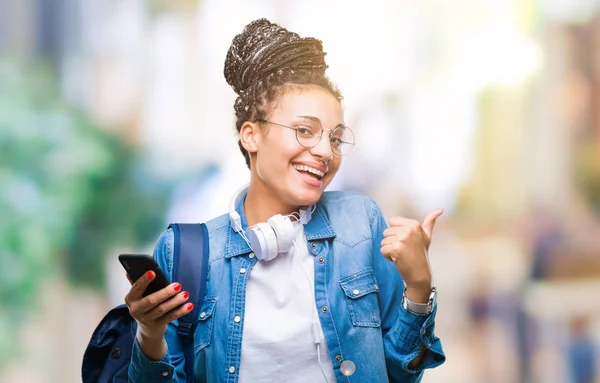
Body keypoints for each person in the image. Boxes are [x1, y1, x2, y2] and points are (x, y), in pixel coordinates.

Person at [125, 18, 446, 382]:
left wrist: (418, 289)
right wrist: (149, 334)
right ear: (251, 135)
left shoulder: (361, 223)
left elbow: (401, 375)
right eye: (305, 131)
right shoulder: (189, 253)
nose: (325, 151)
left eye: (336, 139)